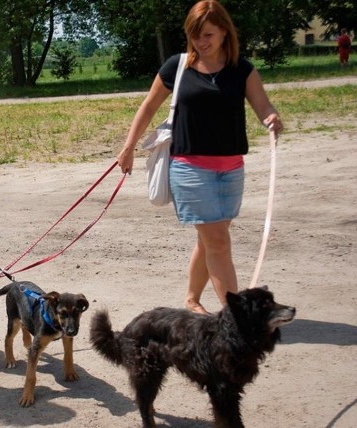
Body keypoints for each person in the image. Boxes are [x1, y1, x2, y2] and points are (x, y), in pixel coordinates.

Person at [117, 0, 282, 314]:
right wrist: (128, 148)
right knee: (218, 241)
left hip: (231, 170)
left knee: (210, 241)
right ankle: (235, 315)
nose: (200, 42)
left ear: (223, 31)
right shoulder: (177, 67)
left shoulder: (242, 70)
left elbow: (264, 107)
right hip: (190, 170)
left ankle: (192, 300)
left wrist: (272, 119)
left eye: (207, 34)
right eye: (195, 36)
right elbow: (148, 107)